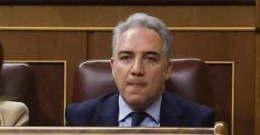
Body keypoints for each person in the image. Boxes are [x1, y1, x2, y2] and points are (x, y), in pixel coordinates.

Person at [65, 13, 216, 128]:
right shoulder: (80, 119)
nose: (137, 70)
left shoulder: (197, 121)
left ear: (167, 69)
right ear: (112, 66)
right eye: (126, 57)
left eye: (150, 59)